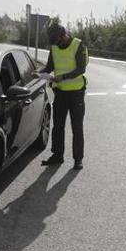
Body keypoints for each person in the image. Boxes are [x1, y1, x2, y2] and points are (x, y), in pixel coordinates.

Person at [34, 21, 89, 170]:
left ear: (64, 35)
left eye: (58, 40)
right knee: (58, 126)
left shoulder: (79, 45)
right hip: (60, 93)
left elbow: (81, 69)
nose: (56, 44)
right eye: (54, 42)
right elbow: (50, 67)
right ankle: (57, 156)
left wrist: (63, 77)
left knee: (77, 127)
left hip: (76, 93)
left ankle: (78, 159)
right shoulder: (54, 46)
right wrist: (39, 72)